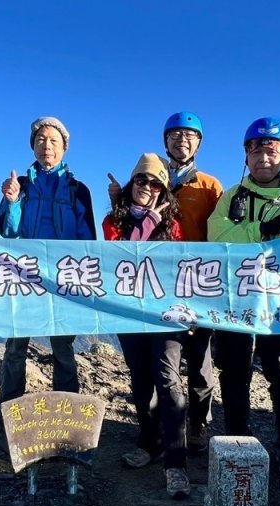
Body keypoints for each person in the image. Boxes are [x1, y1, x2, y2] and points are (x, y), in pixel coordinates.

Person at [206, 117, 280, 480]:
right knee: (234, 372)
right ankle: (237, 440)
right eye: (256, 150)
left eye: (271, 150)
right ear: (246, 155)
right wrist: (262, 230)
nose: (263, 158)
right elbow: (216, 237)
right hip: (237, 301)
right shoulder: (231, 197)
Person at [107, 111, 223, 453]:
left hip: (197, 287)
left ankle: (198, 426)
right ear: (165, 141)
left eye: (189, 136)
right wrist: (119, 203)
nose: (182, 141)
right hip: (150, 295)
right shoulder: (155, 180)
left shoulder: (210, 186)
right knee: (161, 370)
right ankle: (158, 435)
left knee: (200, 366)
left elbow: (220, 236)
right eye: (175, 135)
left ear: (199, 143)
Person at [102, 153, 193, 498]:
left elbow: (182, 266)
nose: (148, 187)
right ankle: (149, 441)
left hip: (165, 315)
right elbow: (121, 254)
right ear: (131, 183)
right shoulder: (114, 220)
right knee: (140, 378)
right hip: (127, 312)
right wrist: (146, 221)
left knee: (168, 379)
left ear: (164, 189)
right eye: (142, 180)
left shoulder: (174, 224)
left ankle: (176, 462)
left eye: (156, 183)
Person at [0, 117, 97, 404]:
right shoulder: (21, 186)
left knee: (63, 348)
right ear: (33, 146)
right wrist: (13, 202)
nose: (46, 146)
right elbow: (7, 231)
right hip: (25, 276)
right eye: (40, 140)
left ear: (64, 148)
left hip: (63, 279)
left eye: (54, 141)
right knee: (16, 345)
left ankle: (67, 410)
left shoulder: (79, 190)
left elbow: (87, 240)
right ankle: (9, 407)